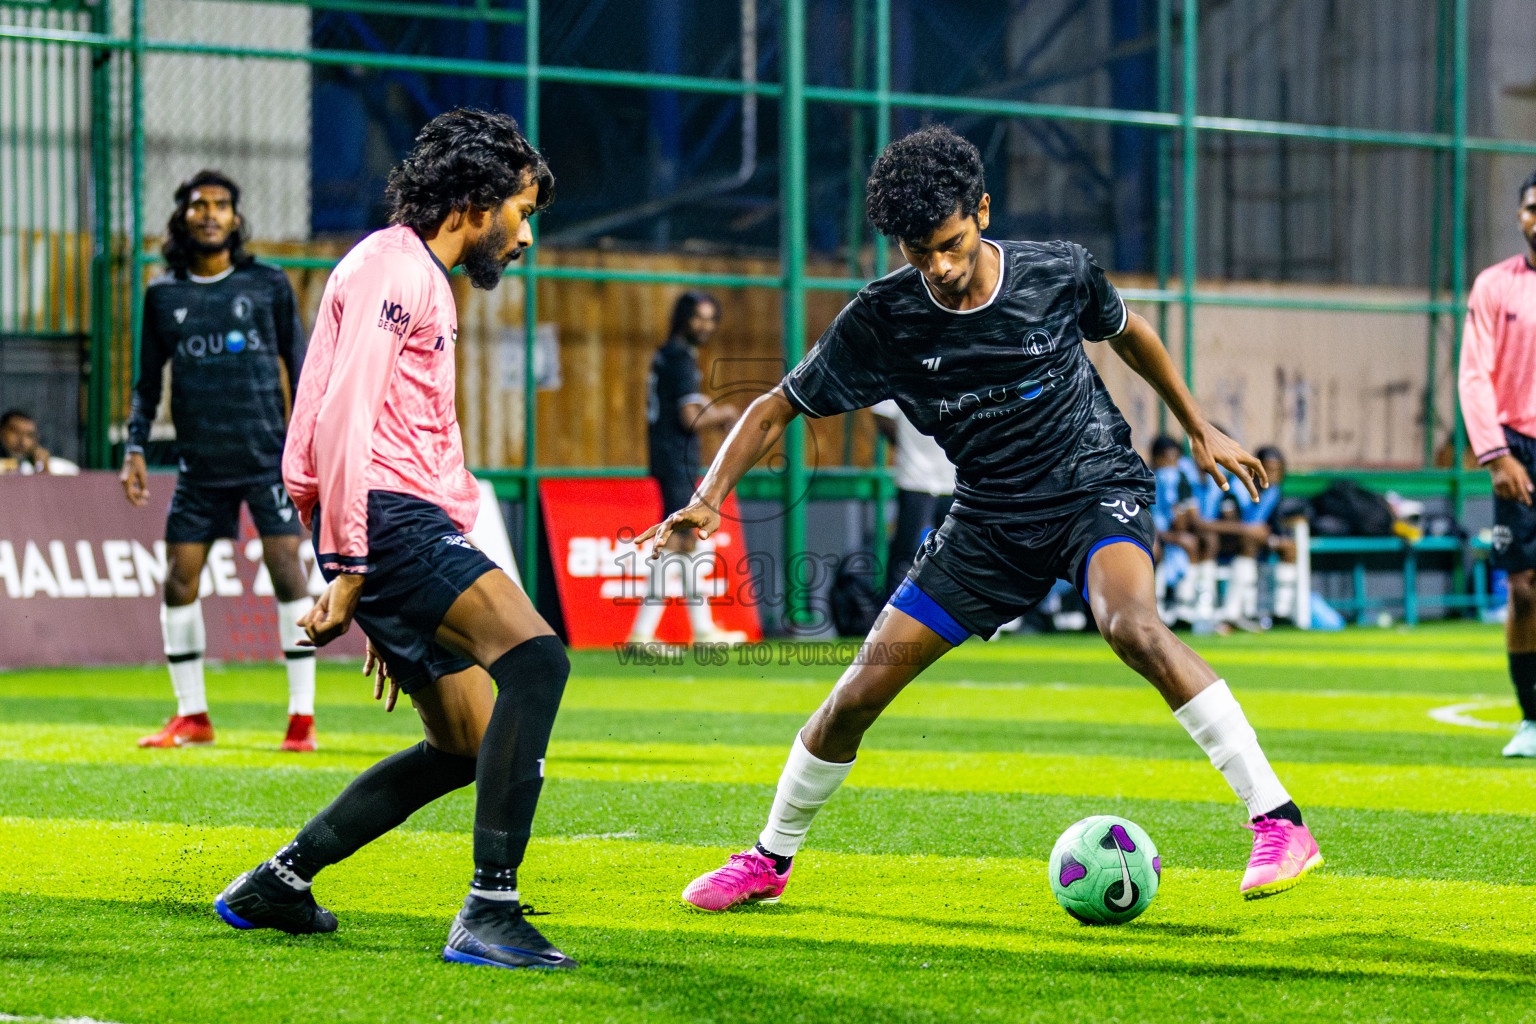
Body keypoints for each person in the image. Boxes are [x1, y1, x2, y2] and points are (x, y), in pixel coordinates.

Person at [648, 125, 1320, 912]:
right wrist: (706, 497)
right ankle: (768, 858)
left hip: (1090, 485)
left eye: (951, 242)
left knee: (1129, 625)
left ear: (984, 211)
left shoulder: (1057, 271)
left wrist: (1199, 425)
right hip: (987, 519)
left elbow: (1128, 331)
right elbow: (776, 406)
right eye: (916, 250)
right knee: (859, 692)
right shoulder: (882, 318)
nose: (937, 266)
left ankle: (1278, 820)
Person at [213, 108, 578, 971]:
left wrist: (386, 598)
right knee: (537, 662)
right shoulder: (394, 265)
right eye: (523, 213)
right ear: (476, 199)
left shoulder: (418, 276)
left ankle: (280, 882)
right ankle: (490, 911)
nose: (525, 237)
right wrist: (349, 564)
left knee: (463, 741)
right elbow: (343, 416)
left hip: (392, 525)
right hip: (385, 517)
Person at [122, 170, 317, 751]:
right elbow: (145, 383)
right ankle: (192, 716)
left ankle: (301, 720)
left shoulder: (268, 284)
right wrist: (135, 444)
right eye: (199, 205)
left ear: (236, 218)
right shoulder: (163, 294)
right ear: (183, 217)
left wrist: (309, 443)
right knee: (179, 581)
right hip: (199, 467)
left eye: (222, 205)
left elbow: (302, 366)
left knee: (288, 574)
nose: (211, 213)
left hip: (266, 457)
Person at [1459, 168, 1536, 758]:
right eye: (1532, 206)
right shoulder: (1493, 286)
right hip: (1517, 449)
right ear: (1519, 216)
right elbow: (1475, 374)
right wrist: (1497, 454)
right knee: (1526, 589)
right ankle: (1531, 720)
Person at [628, 291, 745, 646]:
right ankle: (651, 633)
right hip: (676, 457)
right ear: (683, 318)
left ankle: (693, 629)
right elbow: (688, 416)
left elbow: (685, 404)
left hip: (667, 455)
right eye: (699, 317)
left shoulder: (669, 355)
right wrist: (726, 414)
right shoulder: (680, 359)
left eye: (711, 318)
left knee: (685, 541)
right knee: (681, 540)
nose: (705, 325)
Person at [1192, 436, 1284, 630]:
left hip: (1253, 541)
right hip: (1225, 541)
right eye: (1267, 469)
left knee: (1286, 547)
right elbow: (1220, 522)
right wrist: (1249, 530)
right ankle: (1218, 612)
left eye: (1277, 470)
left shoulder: (1274, 493)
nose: (1271, 475)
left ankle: (1278, 614)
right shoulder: (1233, 487)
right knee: (1236, 541)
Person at [872, 399, 955, 597]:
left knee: (954, 555)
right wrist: (907, 442)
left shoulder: (961, 373)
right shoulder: (905, 371)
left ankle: (951, 618)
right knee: (905, 554)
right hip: (914, 479)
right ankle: (892, 612)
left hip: (953, 481)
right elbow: (881, 414)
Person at [1148, 434, 1210, 622]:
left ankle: (1185, 606)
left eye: (1175, 459)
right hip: (1147, 531)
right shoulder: (1144, 479)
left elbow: (1183, 523)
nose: (1170, 464)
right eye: (1165, 459)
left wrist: (1177, 510)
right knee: (1153, 546)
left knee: (1193, 542)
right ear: (1155, 460)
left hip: (1169, 533)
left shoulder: (1181, 481)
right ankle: (1153, 606)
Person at [0, 410, 80, 475]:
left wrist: (41, 469)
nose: (22, 441)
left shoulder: (59, 467)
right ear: (2, 432)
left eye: (29, 435)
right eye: (16, 432)